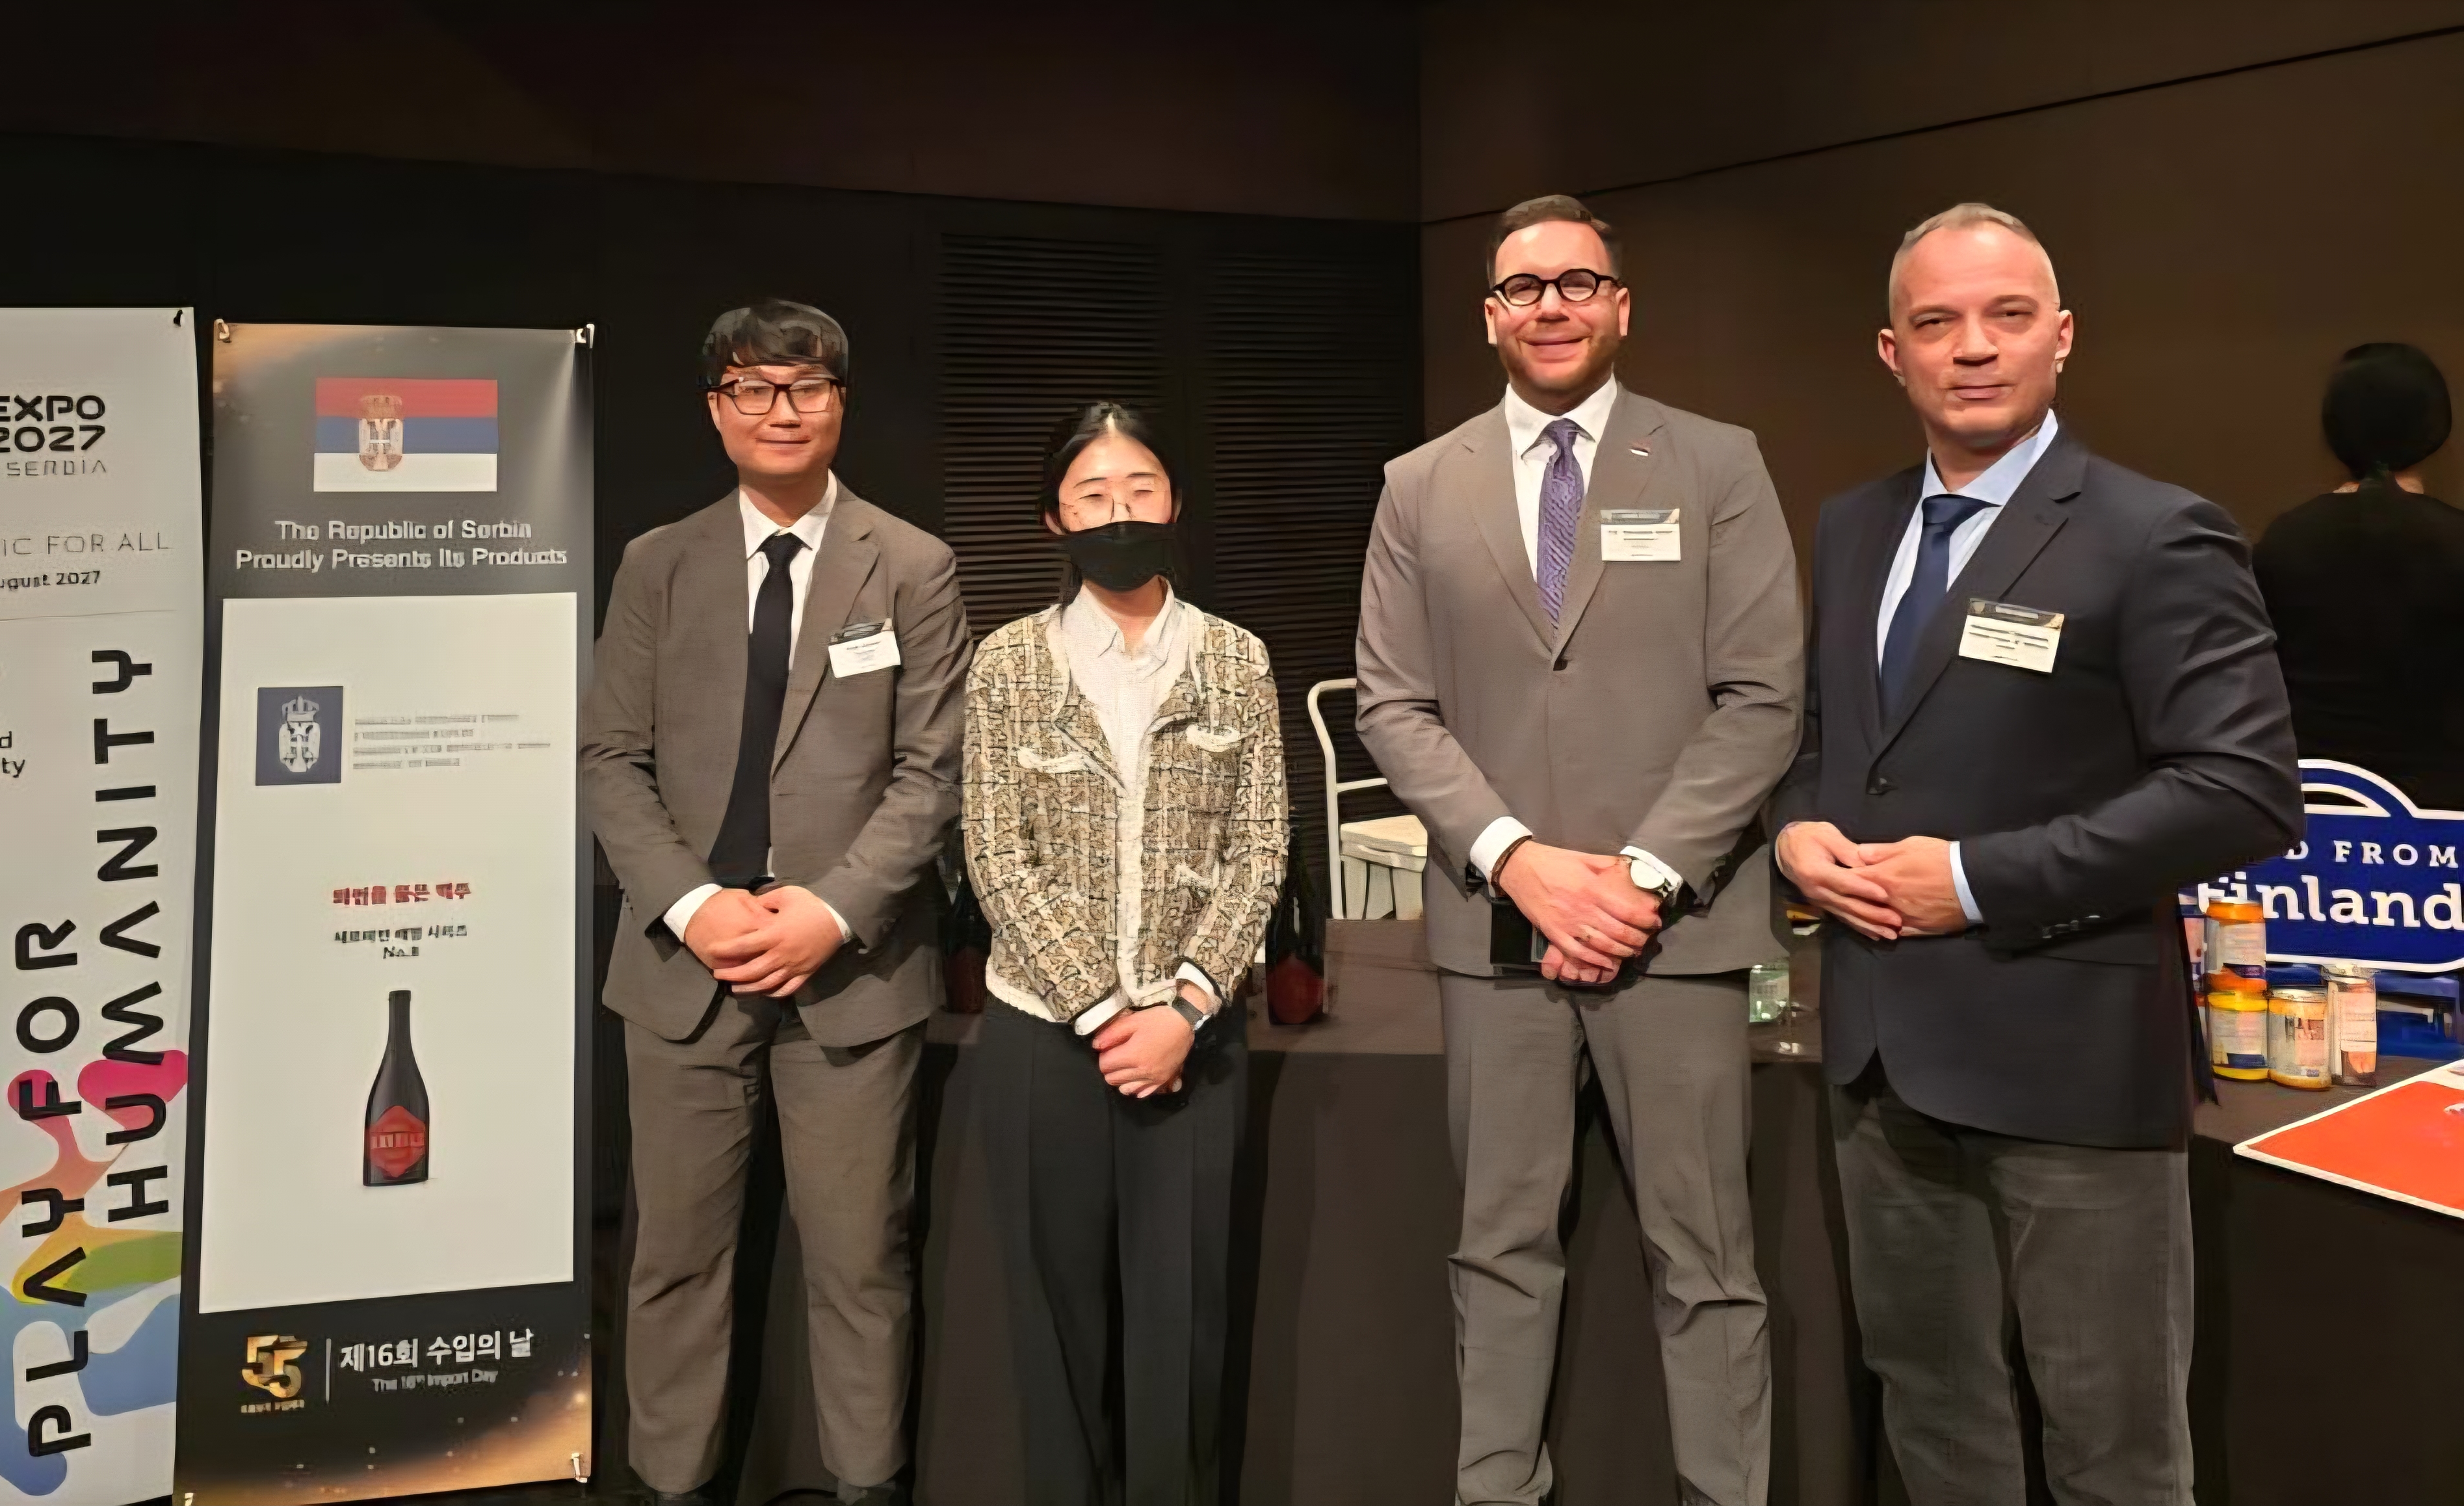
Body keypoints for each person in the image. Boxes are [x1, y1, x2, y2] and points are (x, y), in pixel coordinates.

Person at [1771, 204, 2303, 1505]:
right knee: (1934, 1418)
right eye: (1937, 322)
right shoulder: (1852, 525)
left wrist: (1971, 882)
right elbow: (1830, 739)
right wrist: (1793, 825)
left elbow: (2241, 790)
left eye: (2007, 317)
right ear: (1891, 352)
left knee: (2112, 1446)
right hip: (1882, 1062)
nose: (1973, 347)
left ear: (2062, 337)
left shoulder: (2156, 531)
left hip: (2073, 1061)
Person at [1354, 194, 1801, 1506]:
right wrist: (1519, 860)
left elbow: (1763, 696)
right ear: (1488, 317)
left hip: (1680, 928)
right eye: (1522, 288)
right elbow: (1393, 703)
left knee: (1707, 1262)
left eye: (1577, 282)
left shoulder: (1717, 463)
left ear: (1621, 304)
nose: (1549, 305)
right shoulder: (1418, 484)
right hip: (1497, 925)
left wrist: (1639, 878)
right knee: (1499, 1253)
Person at [581, 299, 969, 1506]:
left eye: (805, 387)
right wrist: (696, 905)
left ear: (840, 402)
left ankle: (866, 1485)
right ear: (718, 410)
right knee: (672, 1260)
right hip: (684, 966)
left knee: (862, 1261)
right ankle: (674, 1485)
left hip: (849, 967)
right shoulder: (658, 562)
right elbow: (611, 760)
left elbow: (933, 773)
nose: (781, 410)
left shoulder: (912, 564)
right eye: (753, 387)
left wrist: (831, 913)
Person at [960, 402, 1287, 1506]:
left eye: (1139, 488)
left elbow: (1261, 848)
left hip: (1194, 1039)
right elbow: (996, 855)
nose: (1119, 512)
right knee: (1056, 1325)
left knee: (1182, 1323)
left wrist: (1183, 1010)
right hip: (1047, 1039)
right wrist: (1104, 1015)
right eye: (1093, 495)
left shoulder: (1235, 658)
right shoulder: (1009, 663)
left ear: (1175, 502)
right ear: (1054, 518)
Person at [2254, 342, 2464, 810]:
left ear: (2335, 429)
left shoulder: (2285, 540)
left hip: (2310, 807)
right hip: (2444, 819)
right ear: (2436, 428)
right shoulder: (2456, 542)